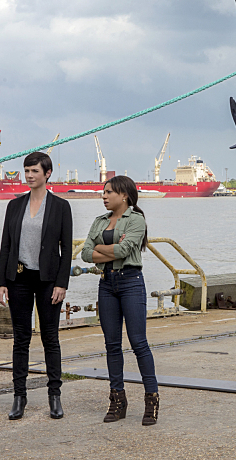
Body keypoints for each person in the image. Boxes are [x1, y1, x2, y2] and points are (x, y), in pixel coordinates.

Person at [0, 152, 73, 421]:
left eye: (34, 171)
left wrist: (62, 283)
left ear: (47, 174)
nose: (29, 176)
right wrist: (1, 282)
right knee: (21, 339)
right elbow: (6, 245)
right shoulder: (14, 206)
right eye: (26, 171)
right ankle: (19, 396)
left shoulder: (61, 207)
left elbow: (66, 249)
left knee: (50, 338)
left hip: (49, 280)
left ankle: (55, 395)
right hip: (19, 279)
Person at [81, 175, 159, 426]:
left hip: (131, 283)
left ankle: (152, 400)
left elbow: (124, 252)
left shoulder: (136, 219)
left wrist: (99, 249)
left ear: (124, 195)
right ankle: (117, 400)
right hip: (107, 284)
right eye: (103, 192)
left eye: (109, 192)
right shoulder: (99, 221)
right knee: (112, 344)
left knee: (138, 342)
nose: (103, 196)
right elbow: (84, 254)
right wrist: (112, 248)